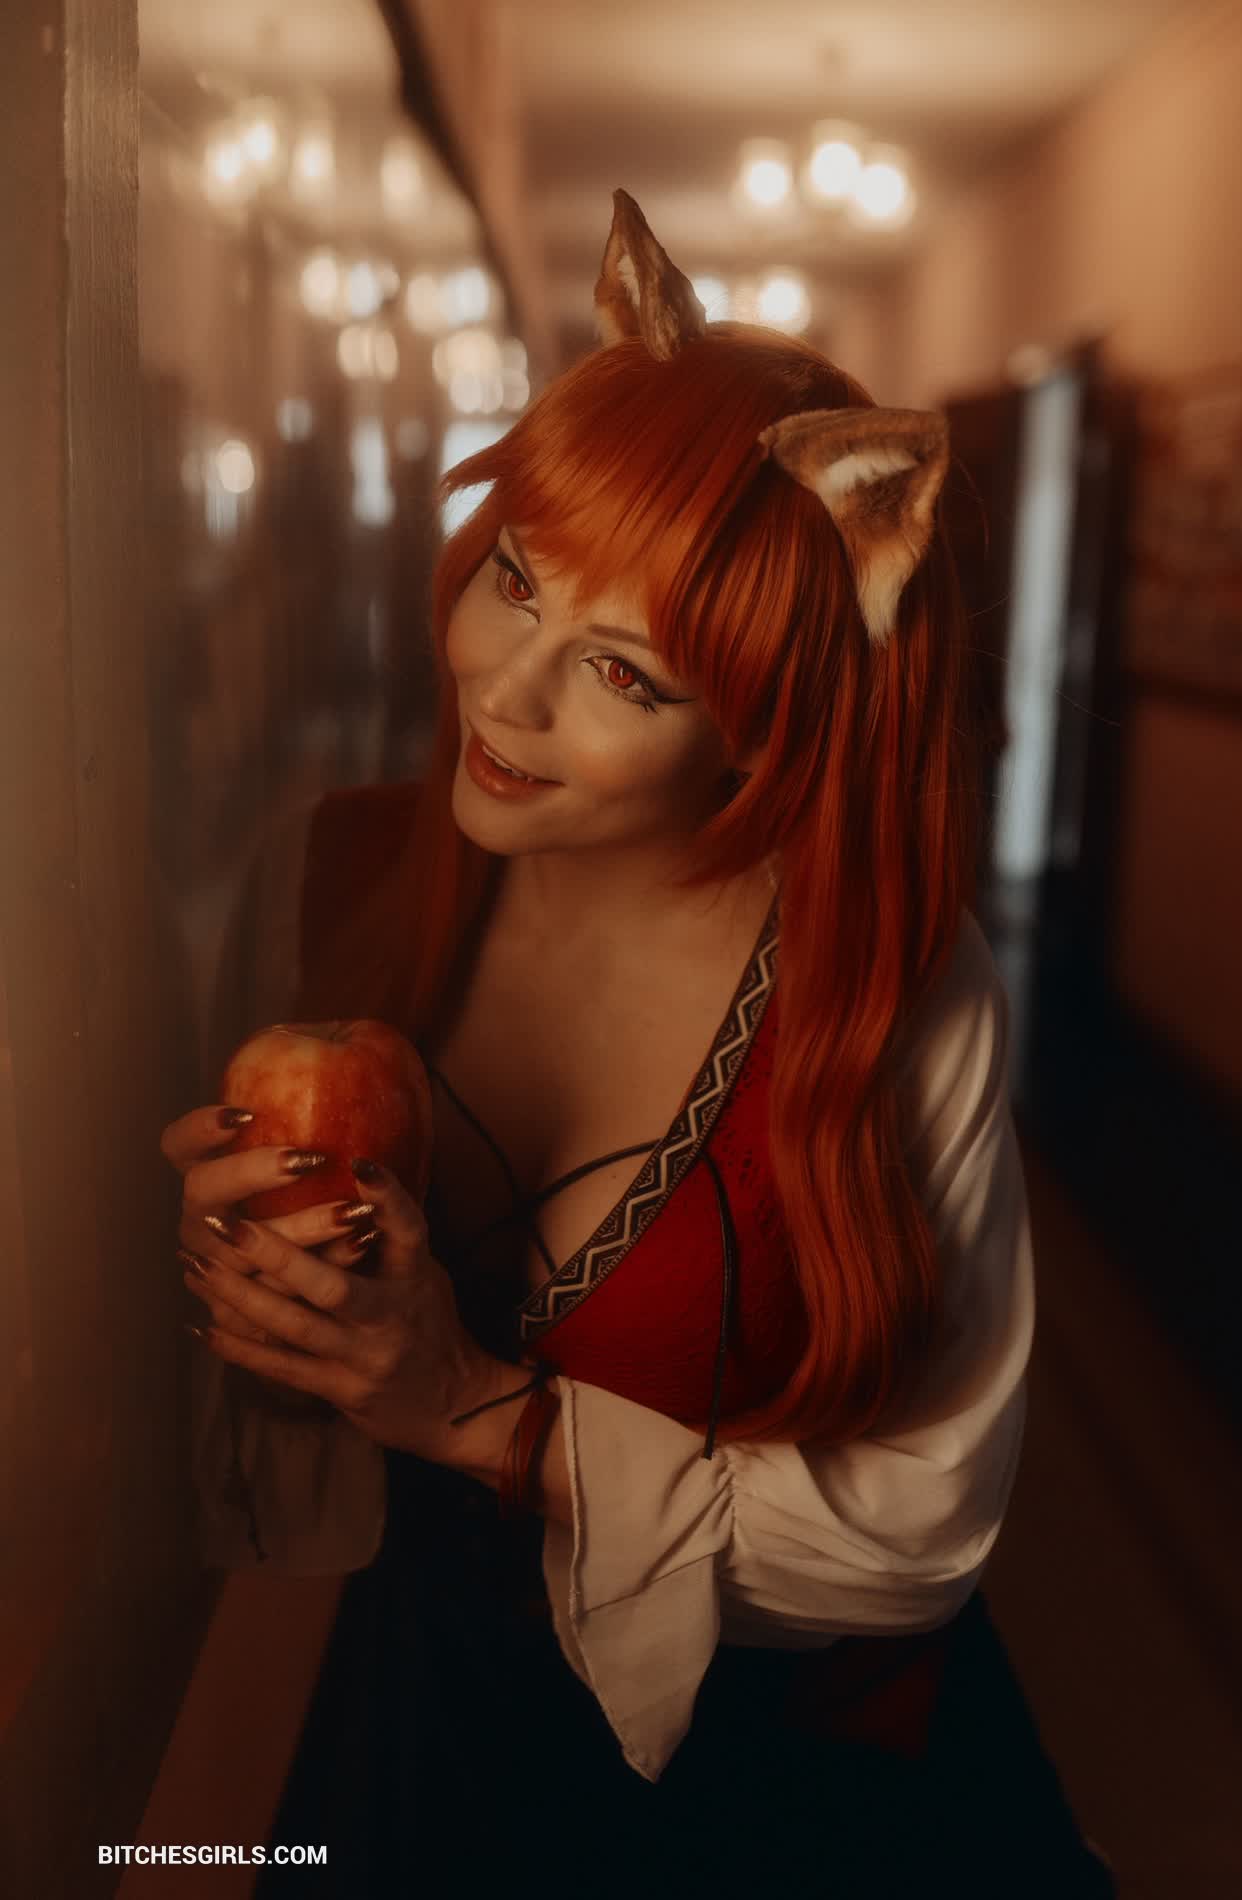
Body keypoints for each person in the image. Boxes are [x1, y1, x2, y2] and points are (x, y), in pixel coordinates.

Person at [162, 191, 1117, 1894]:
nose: (506, 691)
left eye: (627, 676)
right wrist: (246, 1268)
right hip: (427, 1723)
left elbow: (916, 1537)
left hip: (798, 1798)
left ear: (767, 733)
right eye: (514, 581)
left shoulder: (891, 985)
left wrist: (477, 1413)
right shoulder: (324, 877)